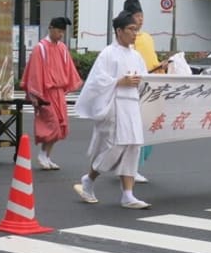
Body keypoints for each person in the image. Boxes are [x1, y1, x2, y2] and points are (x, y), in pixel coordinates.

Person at [73, 10, 151, 209]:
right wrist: (119, 81)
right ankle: (89, 179)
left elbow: (144, 80)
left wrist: (141, 81)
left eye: (136, 30)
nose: (135, 33)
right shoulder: (108, 53)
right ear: (119, 31)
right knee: (114, 147)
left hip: (132, 105)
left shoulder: (136, 55)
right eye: (131, 29)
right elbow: (97, 81)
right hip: (115, 105)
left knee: (133, 146)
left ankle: (128, 194)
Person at [20, 17, 82, 170]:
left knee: (60, 125)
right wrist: (34, 94)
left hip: (58, 92)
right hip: (45, 93)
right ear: (51, 28)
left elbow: (68, 70)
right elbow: (34, 72)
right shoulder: (40, 48)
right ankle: (42, 155)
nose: (61, 34)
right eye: (59, 31)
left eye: (63, 32)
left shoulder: (62, 48)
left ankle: (46, 155)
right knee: (51, 124)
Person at [124, 0, 169, 183]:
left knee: (148, 129)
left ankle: (130, 167)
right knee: (137, 131)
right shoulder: (127, 42)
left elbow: (152, 63)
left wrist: (162, 66)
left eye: (142, 15)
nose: (140, 19)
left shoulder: (148, 38)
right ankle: (131, 168)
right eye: (136, 16)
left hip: (152, 89)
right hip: (137, 90)